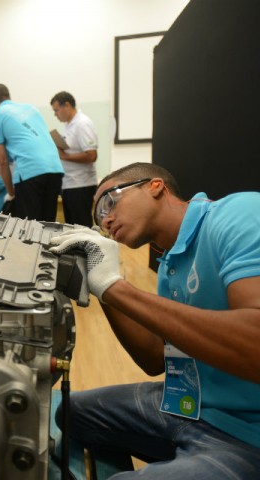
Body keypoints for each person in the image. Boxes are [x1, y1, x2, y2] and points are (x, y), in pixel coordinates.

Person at [49, 162, 260, 479]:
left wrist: (115, 288)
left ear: (155, 186)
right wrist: (99, 285)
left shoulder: (239, 213)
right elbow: (153, 359)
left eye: (109, 202)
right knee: (70, 412)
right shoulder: (168, 266)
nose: (105, 220)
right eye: (98, 219)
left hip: (246, 433)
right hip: (191, 406)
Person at [0, 83, 64, 221]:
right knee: (48, 224)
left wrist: (10, 193)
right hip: (55, 169)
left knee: (29, 230)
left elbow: (2, 161)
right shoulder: (31, 108)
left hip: (30, 172)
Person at [50, 91, 98, 227]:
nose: (55, 114)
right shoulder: (69, 125)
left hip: (81, 185)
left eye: (56, 110)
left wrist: (66, 156)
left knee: (82, 228)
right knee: (72, 228)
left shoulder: (83, 124)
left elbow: (92, 155)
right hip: (70, 184)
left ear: (67, 105)